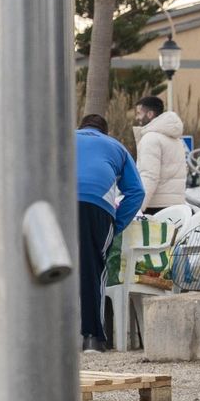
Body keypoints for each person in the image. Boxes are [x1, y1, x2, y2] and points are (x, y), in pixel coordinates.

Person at [76, 114, 143, 353]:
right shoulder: (117, 147)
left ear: (80, 127)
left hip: (58, 204)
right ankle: (92, 338)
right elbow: (136, 192)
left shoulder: (61, 139)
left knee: (53, 269)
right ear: (105, 131)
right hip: (97, 207)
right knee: (94, 268)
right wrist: (117, 223)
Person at [132, 95, 188, 213]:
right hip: (176, 204)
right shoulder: (175, 139)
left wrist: (137, 208)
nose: (137, 117)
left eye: (139, 113)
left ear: (150, 114)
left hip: (155, 205)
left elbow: (149, 176)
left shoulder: (151, 138)